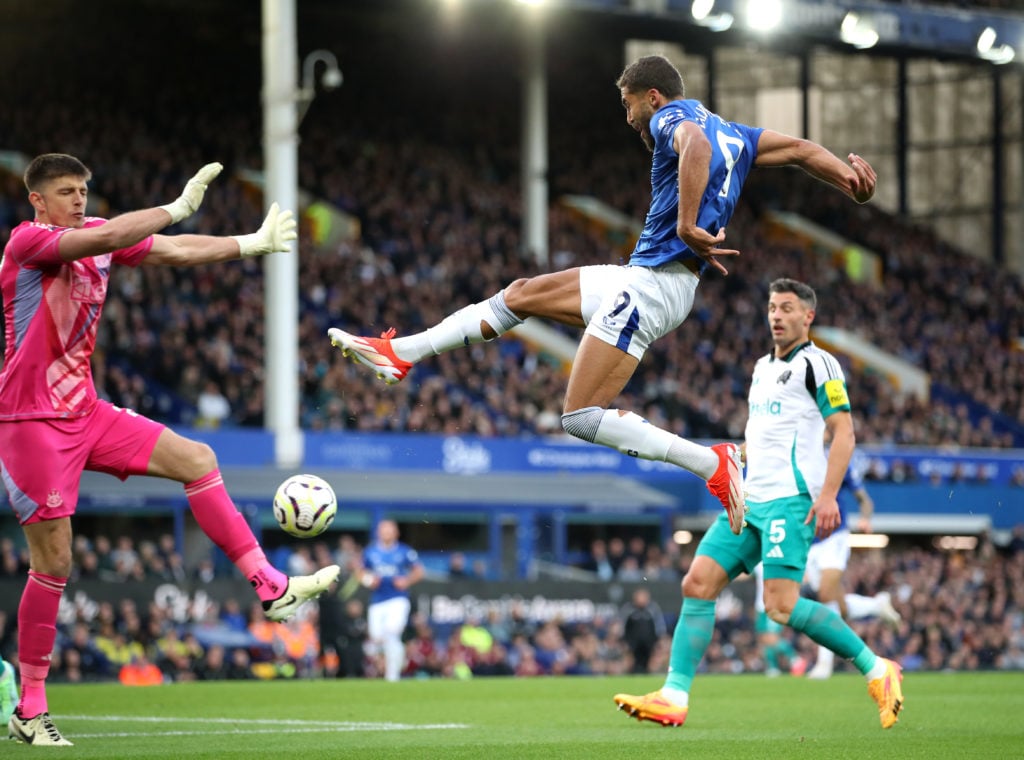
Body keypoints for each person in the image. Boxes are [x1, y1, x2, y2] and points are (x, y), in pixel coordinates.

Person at [327, 54, 875, 537]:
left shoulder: (673, 119)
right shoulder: (738, 132)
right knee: (521, 293)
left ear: (653, 96)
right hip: (644, 279)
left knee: (580, 417)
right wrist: (849, 181)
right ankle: (403, 354)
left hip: (656, 285)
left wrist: (686, 223)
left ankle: (712, 463)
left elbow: (695, 146)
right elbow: (803, 150)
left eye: (628, 103)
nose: (628, 115)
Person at [0, 153, 341, 746]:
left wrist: (248, 244)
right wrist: (174, 208)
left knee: (198, 460)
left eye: (83, 188)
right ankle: (30, 708)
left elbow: (174, 251)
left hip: (87, 411)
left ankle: (270, 586)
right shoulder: (28, 242)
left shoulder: (98, 239)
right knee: (54, 563)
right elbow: (114, 232)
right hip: (30, 422)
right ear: (38, 200)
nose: (78, 199)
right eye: (65, 191)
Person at [614, 279, 904, 730]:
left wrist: (827, 495)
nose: (777, 315)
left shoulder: (819, 363)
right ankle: (673, 696)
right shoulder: (759, 368)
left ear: (808, 316)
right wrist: (734, 458)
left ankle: (877, 669)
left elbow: (844, 433)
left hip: (790, 500)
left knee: (781, 607)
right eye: (772, 307)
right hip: (749, 498)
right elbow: (764, 435)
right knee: (697, 582)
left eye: (787, 308)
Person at [803, 448, 902, 679]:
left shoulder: (837, 463)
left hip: (834, 535)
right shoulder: (798, 460)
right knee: (838, 606)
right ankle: (876, 605)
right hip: (808, 541)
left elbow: (864, 500)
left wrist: (866, 518)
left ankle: (823, 665)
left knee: (825, 594)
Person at [360, 519, 424, 682]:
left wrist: (406, 581)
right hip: (378, 599)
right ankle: (398, 657)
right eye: (383, 530)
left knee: (391, 632)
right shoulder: (370, 552)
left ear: (396, 532)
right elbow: (360, 572)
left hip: (397, 599)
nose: (386, 533)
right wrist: (369, 580)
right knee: (376, 636)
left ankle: (392, 675)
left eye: (389, 530)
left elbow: (419, 571)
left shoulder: (404, 551)